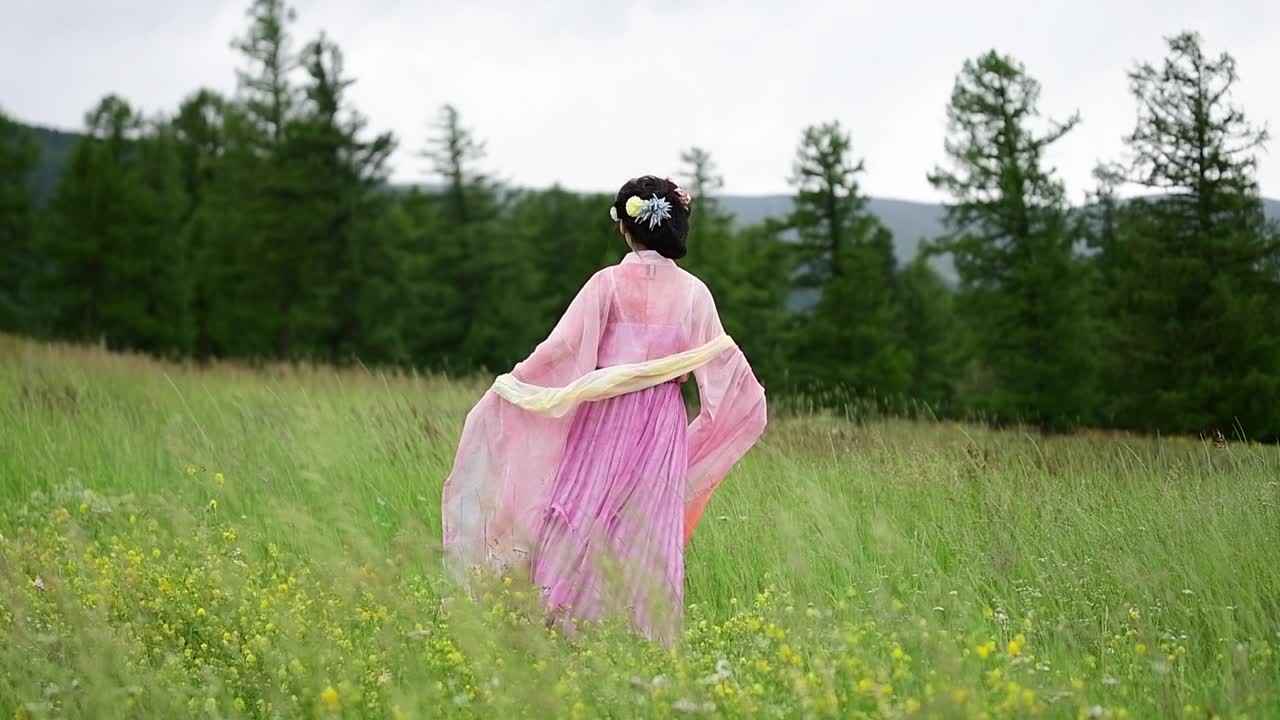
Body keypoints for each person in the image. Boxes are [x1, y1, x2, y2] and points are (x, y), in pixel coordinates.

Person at [441, 175, 767, 644]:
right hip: (661, 424)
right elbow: (727, 381)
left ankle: (560, 624)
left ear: (626, 228)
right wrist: (697, 442)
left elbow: (562, 352)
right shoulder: (695, 293)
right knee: (646, 526)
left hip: (602, 415)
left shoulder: (606, 284)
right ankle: (642, 636)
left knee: (578, 511)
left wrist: (514, 386)